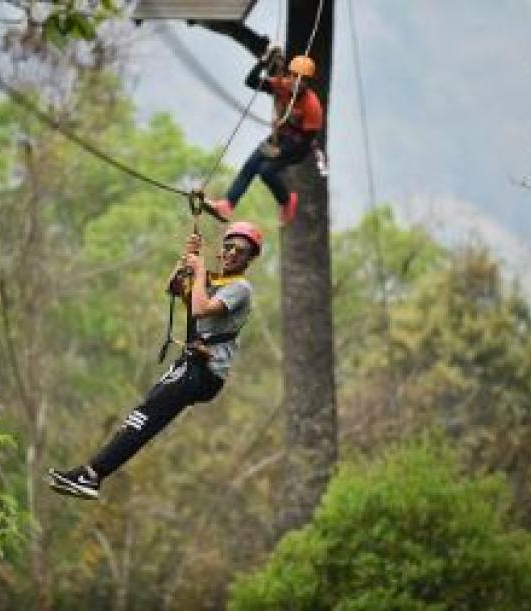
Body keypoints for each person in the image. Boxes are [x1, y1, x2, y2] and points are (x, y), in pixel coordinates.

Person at [48, 221, 263, 499]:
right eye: (229, 246)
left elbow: (199, 309)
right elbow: (174, 287)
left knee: (143, 418)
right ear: (221, 250)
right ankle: (90, 474)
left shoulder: (240, 287)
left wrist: (197, 271)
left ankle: (91, 475)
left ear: (250, 259)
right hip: (190, 365)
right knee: (141, 416)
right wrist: (186, 259)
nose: (233, 253)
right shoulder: (212, 280)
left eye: (242, 251)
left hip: (204, 373)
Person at [210, 50, 324, 226]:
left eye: (302, 79)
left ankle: (286, 201)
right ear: (290, 75)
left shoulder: (312, 106)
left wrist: (280, 151)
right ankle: (228, 204)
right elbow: (251, 82)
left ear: (308, 82)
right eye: (294, 76)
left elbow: (305, 143)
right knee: (251, 164)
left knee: (266, 171)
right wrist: (262, 64)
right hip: (280, 136)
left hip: (296, 146)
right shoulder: (282, 85)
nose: (297, 82)